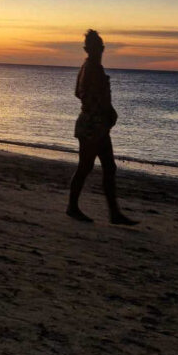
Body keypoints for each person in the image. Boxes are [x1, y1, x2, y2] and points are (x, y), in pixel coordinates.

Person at [66, 30, 138, 225]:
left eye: (100, 47)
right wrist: (104, 110)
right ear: (88, 49)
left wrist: (106, 112)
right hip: (92, 124)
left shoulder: (90, 67)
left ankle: (114, 213)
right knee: (86, 166)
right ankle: (73, 207)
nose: (99, 50)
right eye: (95, 47)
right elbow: (89, 95)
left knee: (108, 167)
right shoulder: (91, 68)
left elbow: (78, 93)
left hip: (96, 124)